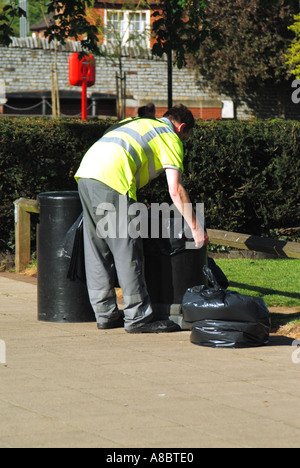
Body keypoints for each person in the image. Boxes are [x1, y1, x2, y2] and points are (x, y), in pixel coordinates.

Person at [75, 104, 208, 334]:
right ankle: (137, 318)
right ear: (182, 127)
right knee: (128, 250)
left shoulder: (137, 123)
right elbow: (175, 189)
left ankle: (105, 315)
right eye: (186, 136)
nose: (184, 141)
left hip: (86, 175)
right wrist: (196, 228)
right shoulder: (169, 136)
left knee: (97, 249)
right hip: (114, 181)